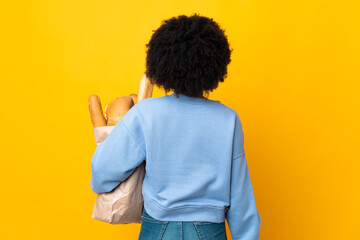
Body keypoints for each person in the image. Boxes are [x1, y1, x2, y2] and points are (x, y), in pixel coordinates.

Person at [90, 13, 262, 240]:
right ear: (215, 65)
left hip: (158, 230)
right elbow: (242, 202)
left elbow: (102, 173)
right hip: (209, 231)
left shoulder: (145, 113)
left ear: (163, 62)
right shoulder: (229, 119)